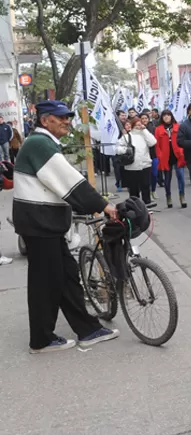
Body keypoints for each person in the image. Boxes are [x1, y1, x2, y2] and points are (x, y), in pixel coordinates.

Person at [13, 100, 120, 353]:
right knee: (46, 284)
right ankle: (41, 340)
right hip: (40, 225)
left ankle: (88, 329)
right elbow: (70, 181)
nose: (67, 121)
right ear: (44, 120)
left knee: (67, 277)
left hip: (43, 225)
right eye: (60, 118)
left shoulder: (45, 143)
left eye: (68, 117)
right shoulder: (40, 144)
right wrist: (103, 205)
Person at [120, 119, 157, 207]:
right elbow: (118, 148)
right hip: (132, 167)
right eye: (136, 125)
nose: (138, 127)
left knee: (146, 186)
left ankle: (147, 204)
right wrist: (126, 150)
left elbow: (153, 142)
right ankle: (134, 206)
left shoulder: (144, 134)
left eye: (140, 125)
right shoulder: (127, 136)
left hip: (145, 165)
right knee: (133, 189)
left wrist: (144, 130)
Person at [154, 110, 187, 209]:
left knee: (181, 176)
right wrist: (159, 155)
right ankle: (168, 197)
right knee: (167, 180)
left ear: (171, 116)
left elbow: (182, 140)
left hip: (177, 155)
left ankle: (182, 196)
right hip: (165, 157)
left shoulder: (178, 127)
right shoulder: (158, 129)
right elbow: (157, 144)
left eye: (168, 115)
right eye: (164, 115)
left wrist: (182, 151)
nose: (166, 117)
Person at [139, 112, 159, 200]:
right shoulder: (137, 129)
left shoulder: (153, 128)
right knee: (145, 176)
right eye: (142, 118)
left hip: (153, 154)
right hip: (142, 156)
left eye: (145, 118)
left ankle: (153, 190)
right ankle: (147, 192)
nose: (144, 120)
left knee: (154, 174)